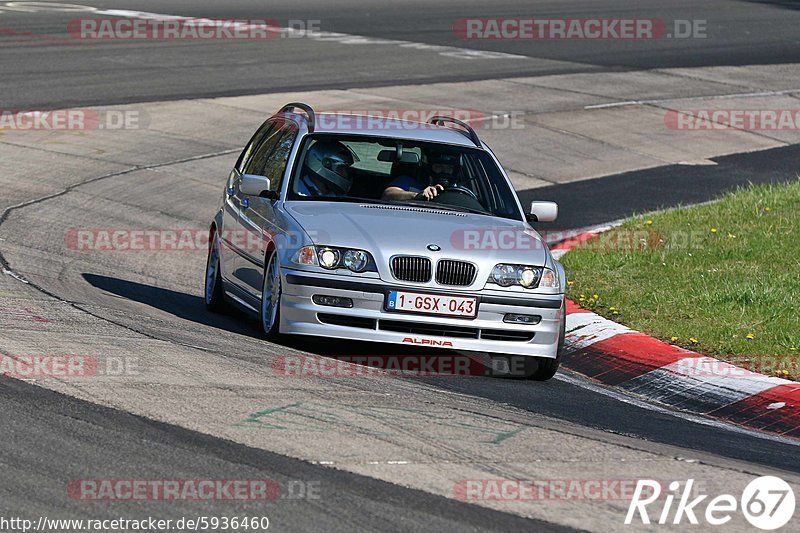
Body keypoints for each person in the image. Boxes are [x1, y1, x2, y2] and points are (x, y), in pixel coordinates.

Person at [382, 150, 461, 201]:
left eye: (450, 168)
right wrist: (418, 195)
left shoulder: (461, 191)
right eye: (439, 166)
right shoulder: (409, 183)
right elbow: (388, 194)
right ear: (428, 167)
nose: (445, 171)